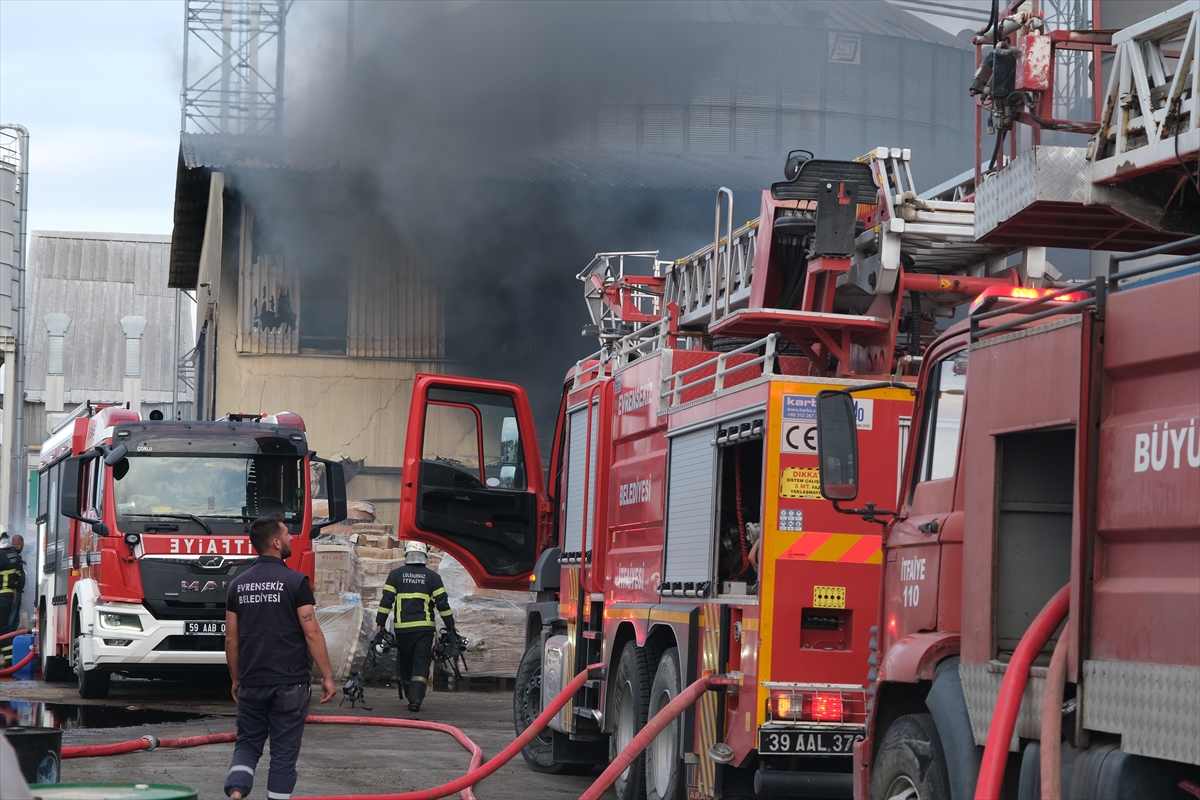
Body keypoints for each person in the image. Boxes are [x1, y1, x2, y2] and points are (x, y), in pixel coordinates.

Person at [223, 514, 336, 800]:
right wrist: (327, 676)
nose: (290, 538)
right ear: (275, 543)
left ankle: (236, 793)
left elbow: (231, 638)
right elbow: (312, 632)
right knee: (283, 755)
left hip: (252, 681)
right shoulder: (296, 582)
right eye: (286, 534)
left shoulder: (238, 585)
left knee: (247, 745)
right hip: (290, 683)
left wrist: (236, 678)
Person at [375, 541, 457, 712]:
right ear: (425, 554)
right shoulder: (433, 577)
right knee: (421, 662)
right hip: (424, 629)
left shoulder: (396, 575)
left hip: (403, 629)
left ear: (407, 553)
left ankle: (409, 694)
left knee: (405, 662)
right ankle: (416, 699)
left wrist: (380, 622)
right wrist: (450, 626)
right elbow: (442, 604)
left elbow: (386, 601)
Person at [0, 530, 25, 667]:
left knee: (3, 627)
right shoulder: (14, 555)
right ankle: (8, 657)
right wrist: (16, 589)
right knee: (6, 626)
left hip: (2, 596)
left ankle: (8, 659)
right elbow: (20, 576)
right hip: (10, 595)